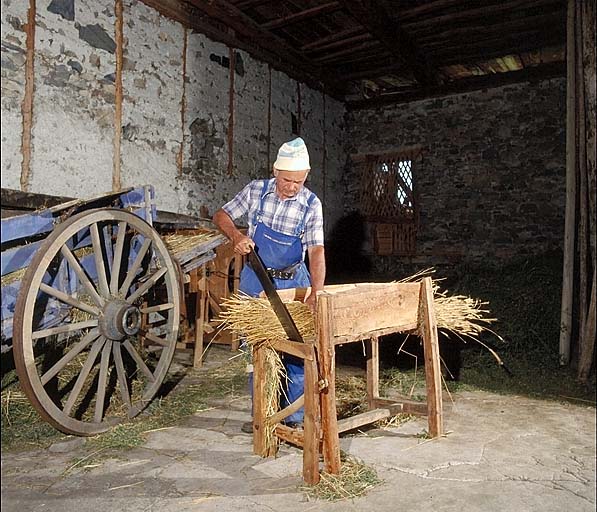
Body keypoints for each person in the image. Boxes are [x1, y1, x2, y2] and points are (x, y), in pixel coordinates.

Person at [213, 136, 326, 433]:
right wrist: (236, 237)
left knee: (297, 349)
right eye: (287, 180)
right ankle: (262, 416)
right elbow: (221, 214)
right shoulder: (256, 191)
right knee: (258, 350)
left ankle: (295, 419)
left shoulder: (311, 204)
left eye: (298, 182)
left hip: (293, 282)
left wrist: (317, 290)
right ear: (275, 172)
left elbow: (316, 250)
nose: (292, 187)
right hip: (256, 280)